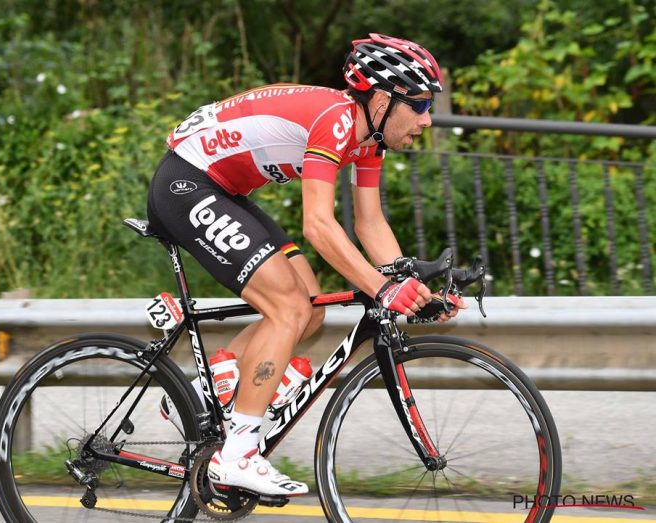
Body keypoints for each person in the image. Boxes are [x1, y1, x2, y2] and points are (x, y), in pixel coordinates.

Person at [147, 33, 465, 497]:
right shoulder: (335, 121)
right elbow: (318, 224)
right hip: (186, 183)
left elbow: (370, 223)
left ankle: (194, 399)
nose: (427, 118)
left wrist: (411, 289)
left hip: (222, 190)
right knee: (288, 310)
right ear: (380, 100)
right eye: (417, 105)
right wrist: (381, 289)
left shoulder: (368, 139)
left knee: (310, 310)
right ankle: (236, 456)